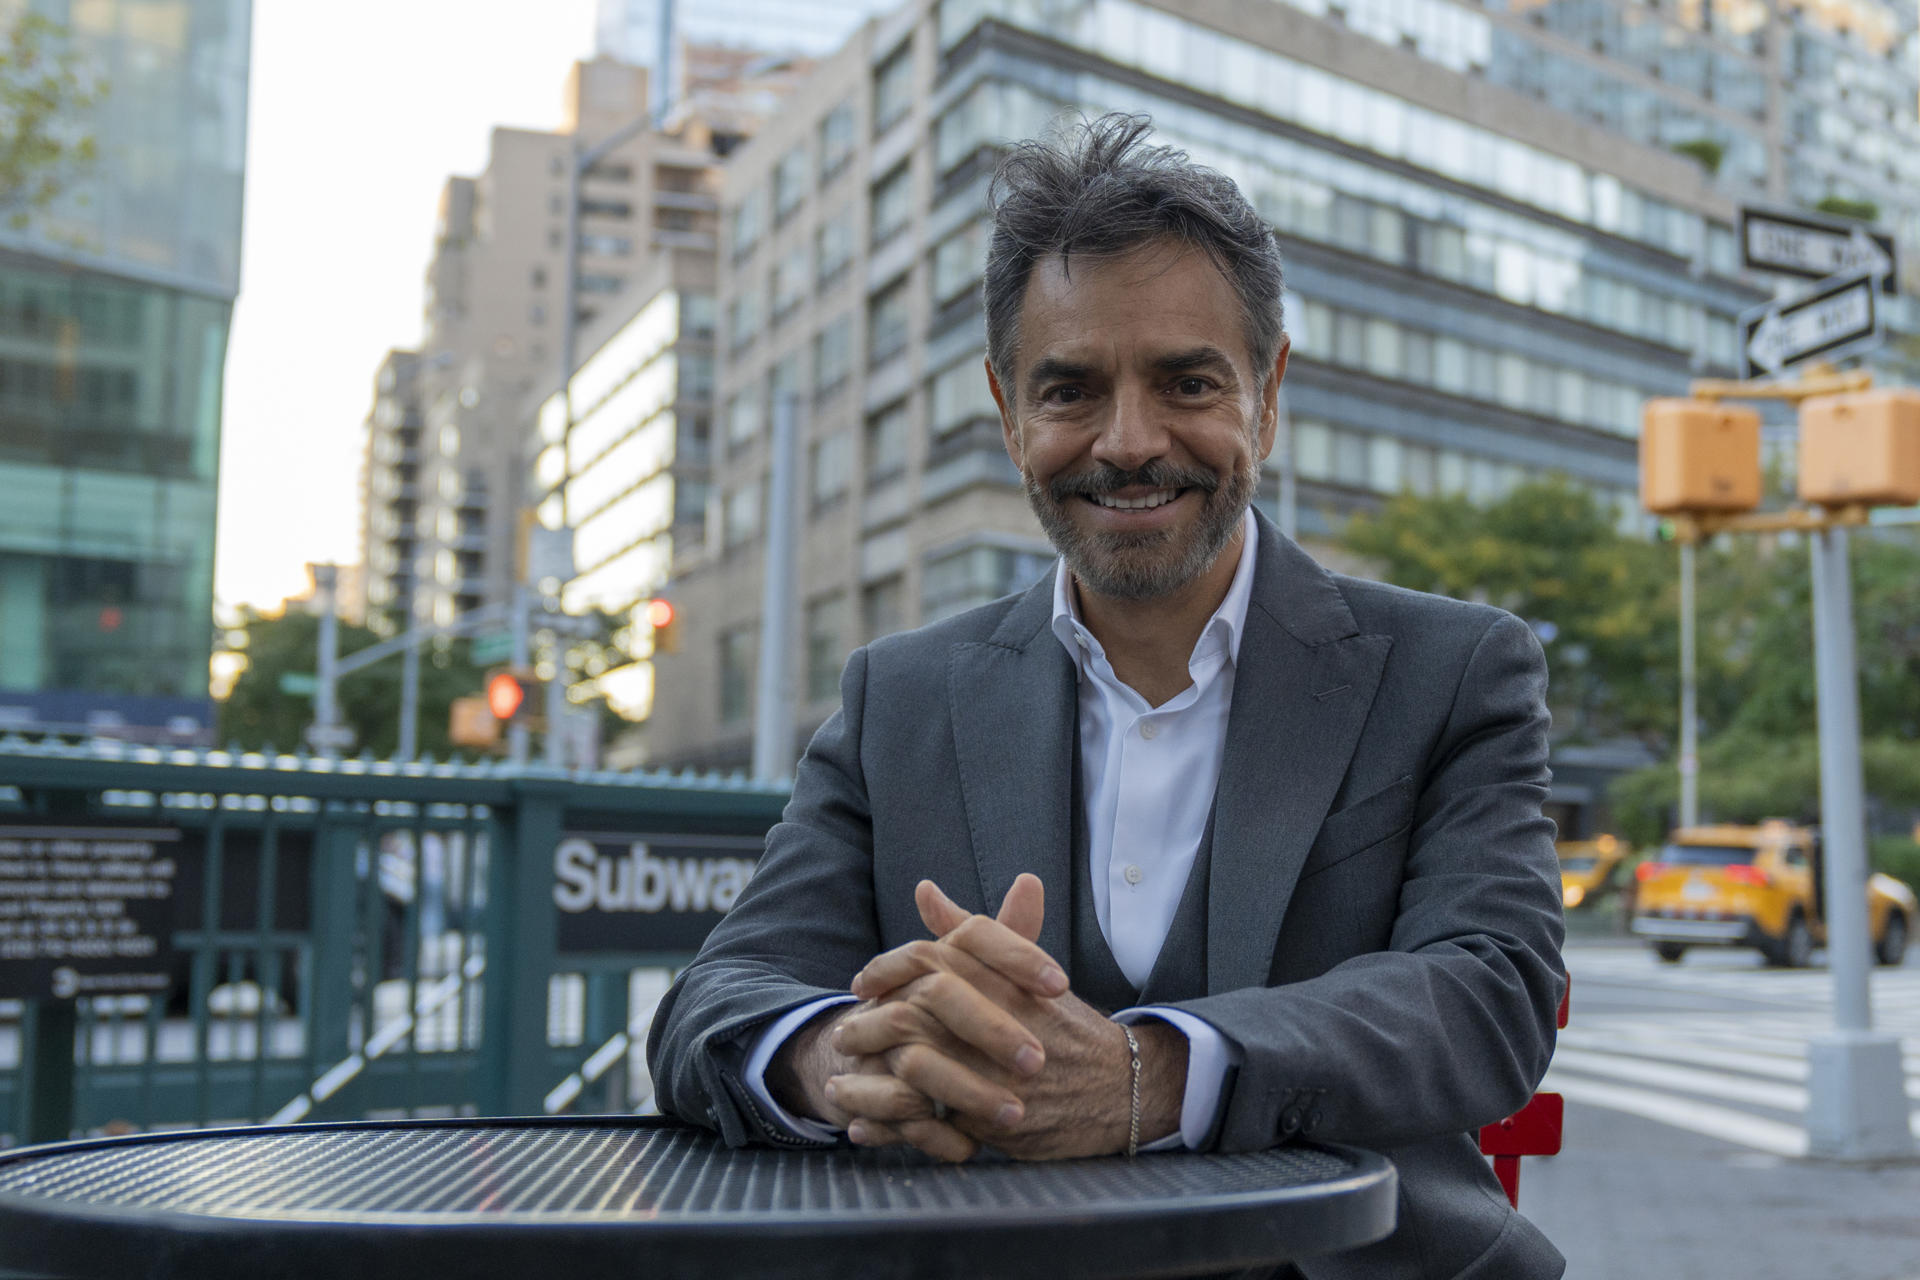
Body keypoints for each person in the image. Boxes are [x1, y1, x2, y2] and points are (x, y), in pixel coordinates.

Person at [646, 113, 1566, 1279]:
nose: (1129, 442)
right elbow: (712, 1000)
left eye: (1187, 380)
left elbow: (1491, 990)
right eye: (1071, 389)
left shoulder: (1451, 670)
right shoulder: (902, 698)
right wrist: (842, 1053)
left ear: (1269, 393)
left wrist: (1150, 1075)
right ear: (1006, 408)